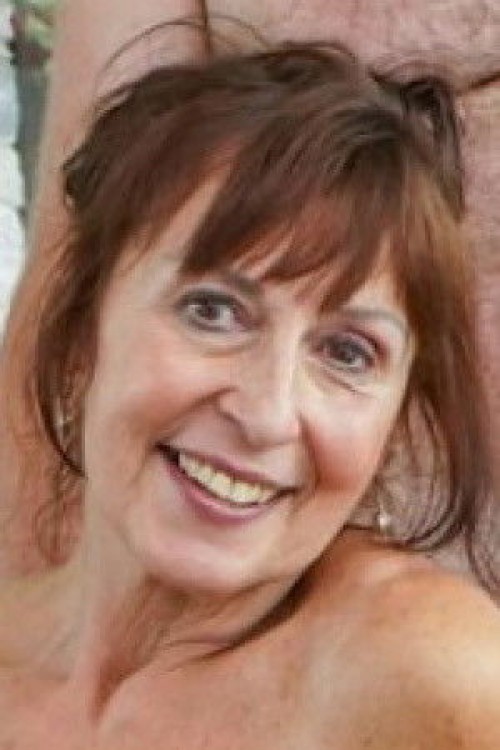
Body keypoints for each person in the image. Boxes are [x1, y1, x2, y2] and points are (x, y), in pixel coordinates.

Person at [0, 41, 500, 748]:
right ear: (85, 326)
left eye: (347, 353)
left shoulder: (426, 673)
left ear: (391, 426)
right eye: (213, 311)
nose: (268, 415)